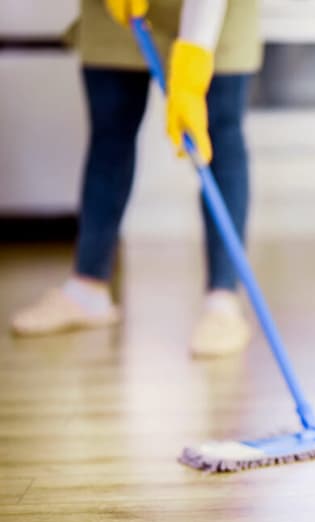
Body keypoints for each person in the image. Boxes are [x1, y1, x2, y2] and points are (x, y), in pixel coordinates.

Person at [10, 0, 262, 357]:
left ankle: (222, 301)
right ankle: (87, 290)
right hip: (114, 11)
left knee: (218, 132)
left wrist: (192, 63)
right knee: (110, 128)